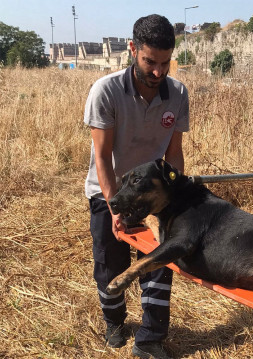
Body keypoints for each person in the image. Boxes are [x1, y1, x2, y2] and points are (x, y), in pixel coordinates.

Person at [84, 14, 189, 359]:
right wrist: (115, 206)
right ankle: (114, 321)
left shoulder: (177, 94)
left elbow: (174, 155)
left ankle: (150, 338)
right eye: (149, 62)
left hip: (154, 197)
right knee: (110, 265)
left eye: (165, 63)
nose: (158, 72)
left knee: (159, 262)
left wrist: (178, 201)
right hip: (109, 189)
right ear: (132, 50)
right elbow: (102, 157)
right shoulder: (107, 90)